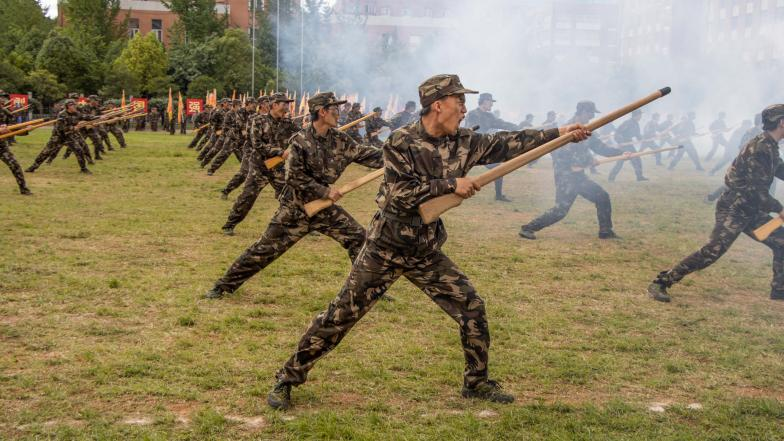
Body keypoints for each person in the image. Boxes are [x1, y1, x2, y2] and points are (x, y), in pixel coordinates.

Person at [264, 74, 590, 410]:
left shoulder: (465, 141)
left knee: (472, 307)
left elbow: (510, 142)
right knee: (340, 316)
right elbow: (399, 195)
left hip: (424, 249)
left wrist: (561, 133)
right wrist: (450, 185)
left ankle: (476, 382)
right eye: (459, 101)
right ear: (438, 105)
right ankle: (287, 378)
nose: (464, 109)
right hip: (386, 247)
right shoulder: (401, 141)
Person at [203, 92, 384, 299]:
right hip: (295, 209)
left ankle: (366, 288)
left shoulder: (340, 139)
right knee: (263, 251)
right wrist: (325, 191)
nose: (339, 113)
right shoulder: (301, 140)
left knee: (359, 238)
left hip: (322, 208)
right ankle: (222, 286)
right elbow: (293, 177)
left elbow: (366, 154)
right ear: (322, 112)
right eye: (335, 109)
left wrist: (398, 156)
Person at [648, 104, 784, 302]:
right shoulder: (760, 147)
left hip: (751, 211)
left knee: (781, 241)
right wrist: (780, 209)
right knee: (712, 251)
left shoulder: (770, 146)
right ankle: (662, 282)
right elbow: (755, 190)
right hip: (735, 209)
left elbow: (779, 169)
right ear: (781, 122)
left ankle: (779, 290)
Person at [519, 101, 623, 240]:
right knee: (560, 210)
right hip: (566, 175)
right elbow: (558, 153)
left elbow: (601, 148)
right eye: (590, 113)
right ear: (583, 111)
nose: (592, 116)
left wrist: (621, 152)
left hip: (578, 176)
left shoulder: (587, 129)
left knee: (602, 197)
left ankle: (605, 231)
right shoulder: (567, 129)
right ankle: (528, 228)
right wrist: (587, 161)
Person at [464, 92, 520, 202]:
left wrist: (517, 127)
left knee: (498, 169)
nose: (492, 104)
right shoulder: (473, 114)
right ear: (484, 101)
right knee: (455, 172)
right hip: (469, 149)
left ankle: (498, 196)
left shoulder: (489, 116)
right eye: (490, 102)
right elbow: (470, 132)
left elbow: (502, 124)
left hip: (481, 149)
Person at [0, 90, 32, 195]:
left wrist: (26, 130)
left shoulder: (4, 112)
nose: (3, 100)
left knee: (15, 165)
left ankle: (24, 189)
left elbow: (13, 129)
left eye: (4, 98)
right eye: (1, 97)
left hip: (1, 146)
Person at [608, 109, 648, 182]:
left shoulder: (636, 124)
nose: (641, 117)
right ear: (636, 115)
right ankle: (611, 178)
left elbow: (638, 135)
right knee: (620, 162)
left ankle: (639, 176)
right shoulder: (627, 123)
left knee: (636, 159)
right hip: (624, 145)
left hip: (629, 144)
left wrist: (643, 139)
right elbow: (617, 133)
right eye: (640, 115)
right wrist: (620, 142)